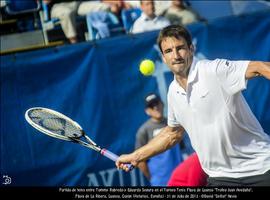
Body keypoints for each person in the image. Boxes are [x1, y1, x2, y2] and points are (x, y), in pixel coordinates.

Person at [116, 24, 270, 186]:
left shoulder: (214, 70)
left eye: (180, 48)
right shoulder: (173, 92)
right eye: (168, 51)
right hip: (220, 176)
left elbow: (260, 67)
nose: (175, 56)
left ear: (191, 49)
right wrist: (136, 156)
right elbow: (172, 134)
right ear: (163, 57)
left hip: (260, 168)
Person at [135, 93, 183, 186]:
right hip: (161, 182)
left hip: (180, 178)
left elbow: (182, 149)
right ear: (147, 111)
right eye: (151, 106)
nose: (155, 107)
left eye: (157, 103)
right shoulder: (143, 131)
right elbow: (140, 160)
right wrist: (152, 178)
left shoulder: (174, 124)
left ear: (163, 104)